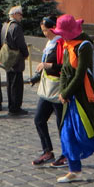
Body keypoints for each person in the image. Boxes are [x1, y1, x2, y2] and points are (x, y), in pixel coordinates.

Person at [54, 13, 94, 183]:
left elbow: (79, 74)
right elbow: (64, 72)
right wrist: (63, 92)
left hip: (83, 97)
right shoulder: (67, 45)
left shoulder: (84, 46)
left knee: (87, 134)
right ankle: (74, 171)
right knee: (67, 133)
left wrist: (66, 92)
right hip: (70, 98)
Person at [30, 16, 66, 166]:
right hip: (47, 88)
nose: (44, 33)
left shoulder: (61, 44)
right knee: (39, 119)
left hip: (58, 89)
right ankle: (47, 152)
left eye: (45, 30)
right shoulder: (50, 43)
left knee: (61, 124)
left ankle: (66, 154)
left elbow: (65, 67)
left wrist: (48, 65)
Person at [3, 5, 30, 116]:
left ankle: (11, 105)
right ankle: (15, 107)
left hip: (7, 58)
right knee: (17, 85)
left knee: (10, 83)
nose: (21, 17)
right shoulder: (16, 27)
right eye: (20, 14)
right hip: (16, 59)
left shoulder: (5, 25)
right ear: (14, 14)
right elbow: (21, 43)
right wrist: (26, 54)